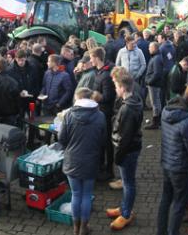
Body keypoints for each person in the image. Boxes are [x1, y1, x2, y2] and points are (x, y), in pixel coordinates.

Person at [156, 83, 188, 235]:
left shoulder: (166, 110)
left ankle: (161, 231)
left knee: (165, 199)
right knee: (179, 203)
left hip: (167, 163)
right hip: (182, 168)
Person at [58, 87, 106, 235]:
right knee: (86, 195)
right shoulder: (100, 116)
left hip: (72, 160)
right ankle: (84, 227)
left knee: (76, 194)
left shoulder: (69, 115)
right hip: (91, 160)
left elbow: (61, 139)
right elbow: (103, 140)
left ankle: (75, 228)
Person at [106, 71, 143, 230]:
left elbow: (125, 137)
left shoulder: (128, 109)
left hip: (127, 151)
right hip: (130, 148)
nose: (114, 89)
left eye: (116, 86)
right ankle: (124, 208)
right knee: (128, 182)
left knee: (128, 184)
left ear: (122, 87)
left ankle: (126, 214)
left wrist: (118, 157)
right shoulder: (133, 101)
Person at [90, 47, 117, 181]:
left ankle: (109, 170)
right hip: (99, 112)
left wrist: (97, 96)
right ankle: (100, 166)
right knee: (100, 141)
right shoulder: (99, 72)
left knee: (107, 142)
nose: (90, 60)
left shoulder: (105, 75)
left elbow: (108, 97)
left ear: (97, 58)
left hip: (105, 114)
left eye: (91, 57)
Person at [144, 41, 167, 129]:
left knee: (155, 103)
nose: (148, 49)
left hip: (154, 84)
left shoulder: (157, 58)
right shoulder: (156, 57)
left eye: (150, 47)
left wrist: (149, 81)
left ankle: (155, 122)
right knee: (156, 102)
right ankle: (157, 121)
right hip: (154, 83)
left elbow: (157, 73)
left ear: (154, 48)